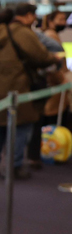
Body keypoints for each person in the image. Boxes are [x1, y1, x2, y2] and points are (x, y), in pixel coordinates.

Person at [0, 3, 61, 179]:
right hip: (19, 88)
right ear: (28, 15)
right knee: (22, 126)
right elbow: (40, 56)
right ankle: (15, 166)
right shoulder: (22, 33)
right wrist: (54, 59)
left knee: (0, 127)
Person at [27, 11, 70, 167]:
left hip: (52, 85)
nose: (64, 22)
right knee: (47, 121)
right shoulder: (50, 37)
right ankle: (47, 152)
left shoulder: (47, 36)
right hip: (53, 85)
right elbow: (53, 64)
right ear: (51, 21)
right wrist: (62, 80)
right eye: (60, 19)